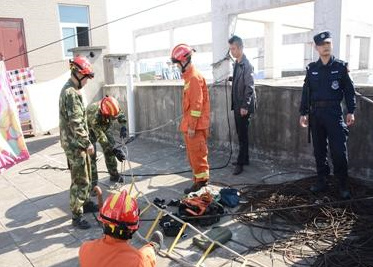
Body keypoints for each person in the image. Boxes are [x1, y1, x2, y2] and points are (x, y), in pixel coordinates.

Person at [299, 31, 356, 200]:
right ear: (316, 47)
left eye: (328, 43)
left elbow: (349, 91)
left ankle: (343, 185)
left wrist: (351, 110)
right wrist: (303, 112)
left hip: (334, 113)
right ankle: (322, 180)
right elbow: (306, 92)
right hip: (316, 114)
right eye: (323, 44)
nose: (326, 47)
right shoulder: (312, 69)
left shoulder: (340, 67)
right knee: (319, 151)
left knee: (339, 151)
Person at [59, 55, 98, 229]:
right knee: (80, 180)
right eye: (87, 77)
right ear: (78, 74)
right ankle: (77, 216)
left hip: (75, 143)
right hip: (76, 145)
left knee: (86, 176)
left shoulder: (71, 90)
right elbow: (76, 123)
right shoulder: (71, 94)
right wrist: (87, 143)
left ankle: (86, 202)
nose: (88, 81)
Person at [79, 189, 164, 267]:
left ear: (104, 222)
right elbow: (146, 258)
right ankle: (154, 246)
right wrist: (152, 247)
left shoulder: (85, 248)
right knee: (147, 255)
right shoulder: (138, 262)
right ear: (132, 229)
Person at [171, 44, 210, 194]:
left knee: (198, 155)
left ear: (184, 61)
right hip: (190, 125)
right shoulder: (189, 77)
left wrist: (192, 126)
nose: (176, 67)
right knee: (193, 155)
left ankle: (201, 183)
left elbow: (196, 104)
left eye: (177, 64)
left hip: (196, 126)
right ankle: (198, 180)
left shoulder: (193, 78)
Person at [228, 35, 256, 175]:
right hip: (238, 104)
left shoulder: (247, 64)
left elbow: (250, 87)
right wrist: (232, 78)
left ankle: (241, 162)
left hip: (243, 106)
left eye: (233, 48)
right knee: (240, 133)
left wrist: (245, 106)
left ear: (240, 48)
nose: (231, 51)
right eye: (231, 48)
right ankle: (244, 158)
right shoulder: (237, 64)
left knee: (242, 134)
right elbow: (240, 79)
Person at [87, 96, 127, 187]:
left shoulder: (112, 105)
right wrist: (114, 150)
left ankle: (114, 174)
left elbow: (119, 113)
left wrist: (123, 126)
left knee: (110, 151)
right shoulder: (94, 115)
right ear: (105, 113)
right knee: (91, 156)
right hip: (90, 131)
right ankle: (93, 185)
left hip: (105, 126)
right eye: (111, 117)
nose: (113, 118)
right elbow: (101, 138)